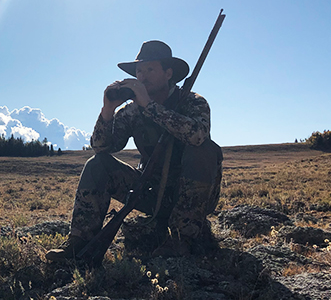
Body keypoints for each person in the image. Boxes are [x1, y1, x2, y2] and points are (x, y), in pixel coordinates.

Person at [46, 40, 222, 261]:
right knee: (97, 164)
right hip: (151, 191)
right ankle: (79, 240)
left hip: (192, 199)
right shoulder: (131, 112)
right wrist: (108, 110)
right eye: (139, 70)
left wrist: (150, 107)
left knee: (204, 150)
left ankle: (181, 239)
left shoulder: (193, 102)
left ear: (168, 74)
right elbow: (102, 147)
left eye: (150, 69)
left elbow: (197, 136)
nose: (143, 76)